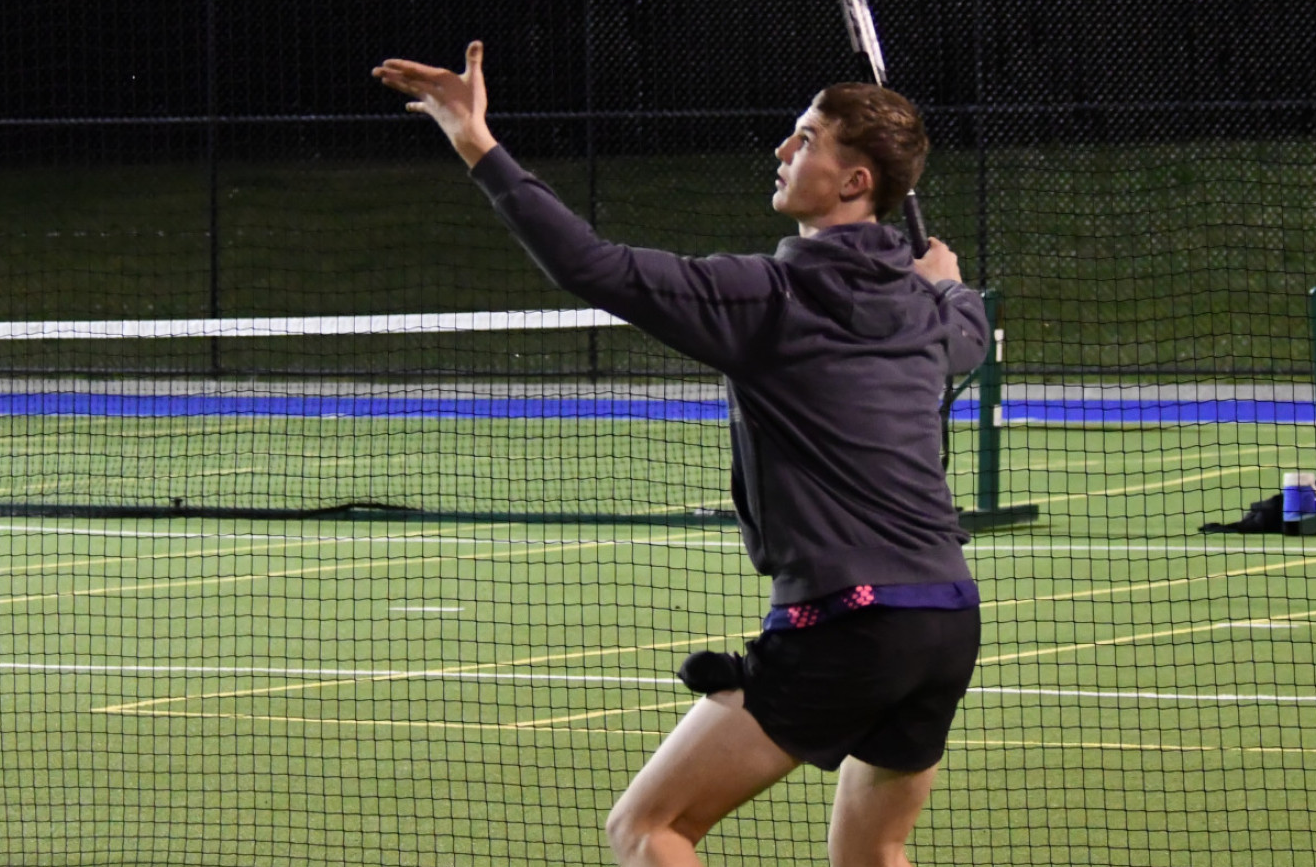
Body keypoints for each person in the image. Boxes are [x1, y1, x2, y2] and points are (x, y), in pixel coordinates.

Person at [374, 42, 988, 867]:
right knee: (874, 853)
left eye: (805, 138)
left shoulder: (771, 298)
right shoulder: (931, 310)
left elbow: (591, 265)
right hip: (946, 618)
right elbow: (970, 334)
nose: (782, 149)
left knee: (646, 829)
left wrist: (476, 141)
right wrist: (946, 281)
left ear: (855, 182)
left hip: (849, 619)